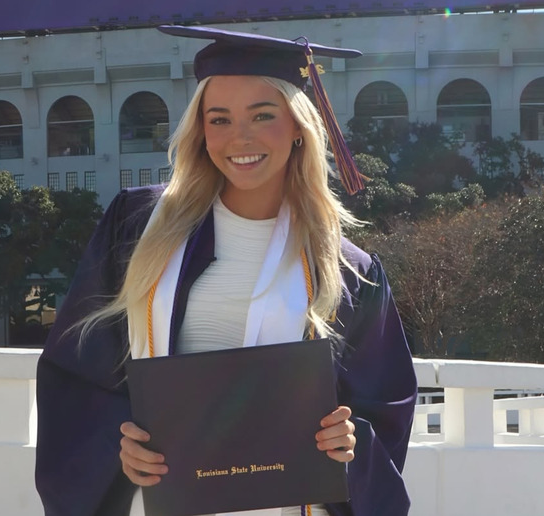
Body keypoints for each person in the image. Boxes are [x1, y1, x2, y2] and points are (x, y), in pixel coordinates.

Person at [35, 25, 417, 516]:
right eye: (219, 119)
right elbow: (76, 370)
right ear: (200, 131)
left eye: (263, 115)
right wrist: (118, 441)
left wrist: (348, 442)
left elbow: (382, 411)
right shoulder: (138, 227)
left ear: (299, 126)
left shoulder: (346, 271)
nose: (240, 137)